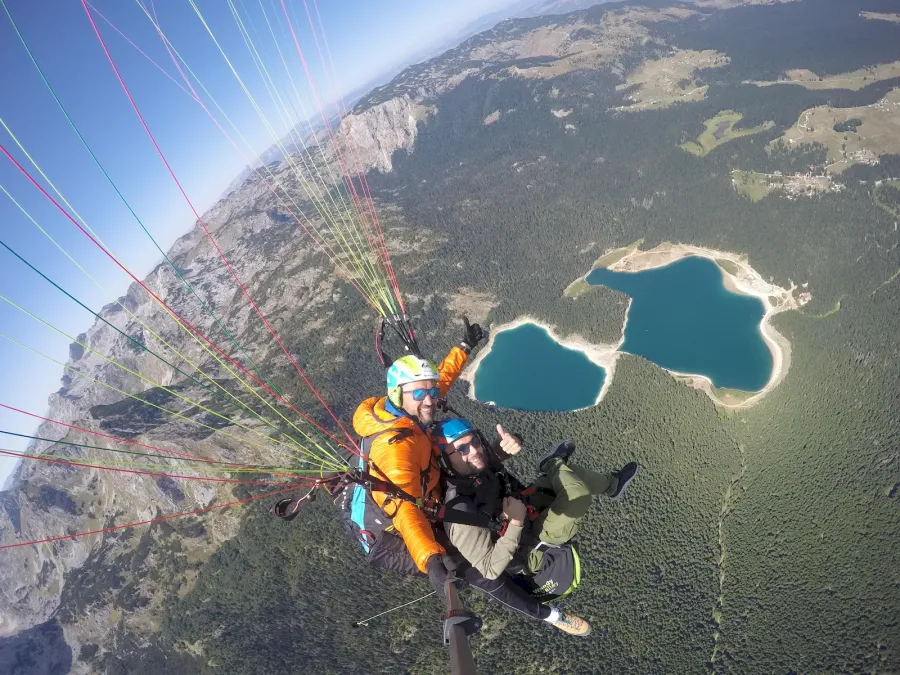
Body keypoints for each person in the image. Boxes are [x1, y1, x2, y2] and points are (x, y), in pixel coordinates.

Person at [432, 418, 639, 635]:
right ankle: (552, 463)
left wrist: (512, 443)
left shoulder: (471, 471)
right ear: (445, 460)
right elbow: (489, 569)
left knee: (569, 474)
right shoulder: (459, 511)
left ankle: (612, 486)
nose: (473, 450)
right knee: (576, 494)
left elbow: (489, 462)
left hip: (525, 510)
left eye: (474, 441)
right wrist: (516, 521)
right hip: (528, 548)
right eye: (462, 448)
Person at [350, 319, 485, 595]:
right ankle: (534, 604)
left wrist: (464, 348)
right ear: (398, 394)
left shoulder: (405, 410)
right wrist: (430, 559)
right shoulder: (393, 446)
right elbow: (403, 508)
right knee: (460, 562)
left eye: (431, 393)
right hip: (388, 536)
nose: (430, 400)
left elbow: (439, 382)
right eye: (421, 394)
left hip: (421, 492)